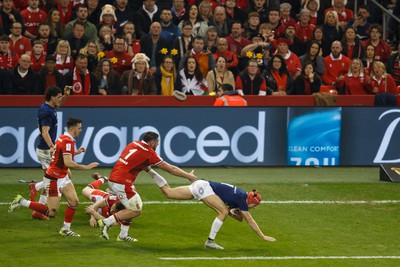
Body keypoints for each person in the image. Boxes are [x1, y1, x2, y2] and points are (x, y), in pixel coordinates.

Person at [96, 131, 196, 241]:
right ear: (152, 142)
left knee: (133, 205)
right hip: (122, 182)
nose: (158, 144)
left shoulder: (133, 144)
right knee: (136, 210)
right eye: (157, 142)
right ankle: (106, 222)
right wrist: (188, 176)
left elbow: (136, 162)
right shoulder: (149, 153)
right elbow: (170, 169)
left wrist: (147, 168)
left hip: (115, 178)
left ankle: (123, 235)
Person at [9, 117, 99, 237]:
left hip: (62, 176)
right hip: (54, 178)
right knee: (51, 213)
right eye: (79, 128)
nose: (81, 130)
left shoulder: (64, 138)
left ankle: (66, 229)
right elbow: (68, 163)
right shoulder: (67, 141)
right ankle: (21, 201)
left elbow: (59, 154)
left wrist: (76, 152)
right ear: (72, 128)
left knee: (74, 201)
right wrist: (86, 167)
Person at [146, 167, 276, 249]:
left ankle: (149, 170)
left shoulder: (241, 196)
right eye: (254, 206)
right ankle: (210, 241)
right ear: (251, 202)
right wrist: (263, 236)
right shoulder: (242, 200)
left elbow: (239, 219)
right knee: (223, 211)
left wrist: (233, 212)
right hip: (204, 187)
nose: (253, 208)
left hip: (201, 185)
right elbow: (249, 221)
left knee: (168, 193)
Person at [28, 86, 70, 220]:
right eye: (58, 97)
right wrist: (52, 147)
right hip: (46, 151)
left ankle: (39, 209)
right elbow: (44, 132)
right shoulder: (47, 112)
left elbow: (57, 105)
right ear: (52, 97)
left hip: (45, 149)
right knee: (59, 177)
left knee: (50, 179)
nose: (60, 99)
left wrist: (66, 95)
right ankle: (36, 187)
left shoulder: (48, 107)